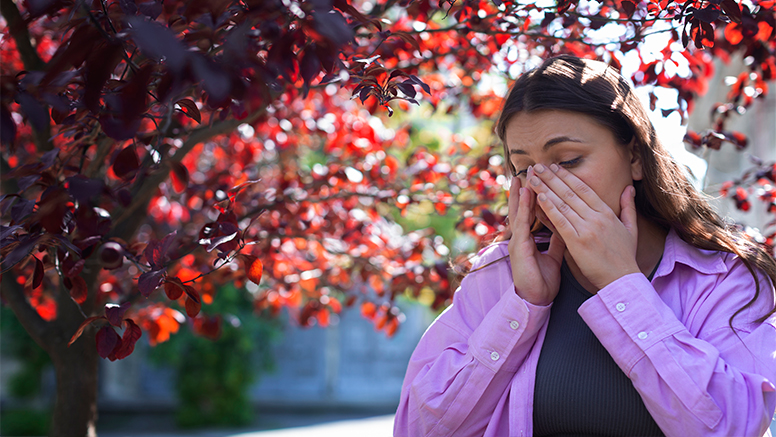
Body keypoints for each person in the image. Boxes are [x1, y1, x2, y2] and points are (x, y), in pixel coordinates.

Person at [393, 55, 776, 437]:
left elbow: (733, 427)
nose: (542, 184)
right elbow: (418, 430)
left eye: (568, 160)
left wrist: (621, 284)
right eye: (523, 169)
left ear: (635, 156)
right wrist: (523, 305)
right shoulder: (500, 274)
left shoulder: (723, 279)